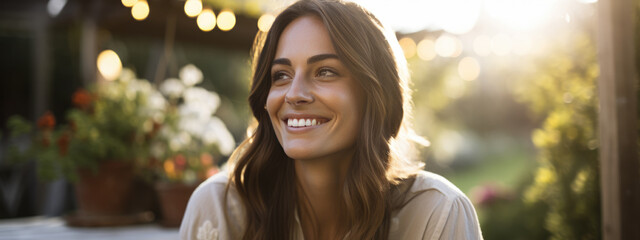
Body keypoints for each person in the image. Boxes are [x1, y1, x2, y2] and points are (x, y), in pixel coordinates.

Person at [180, 0, 482, 239]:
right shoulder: (218, 210)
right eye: (281, 75)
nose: (294, 94)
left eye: (325, 71)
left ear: (375, 93)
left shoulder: (437, 213)